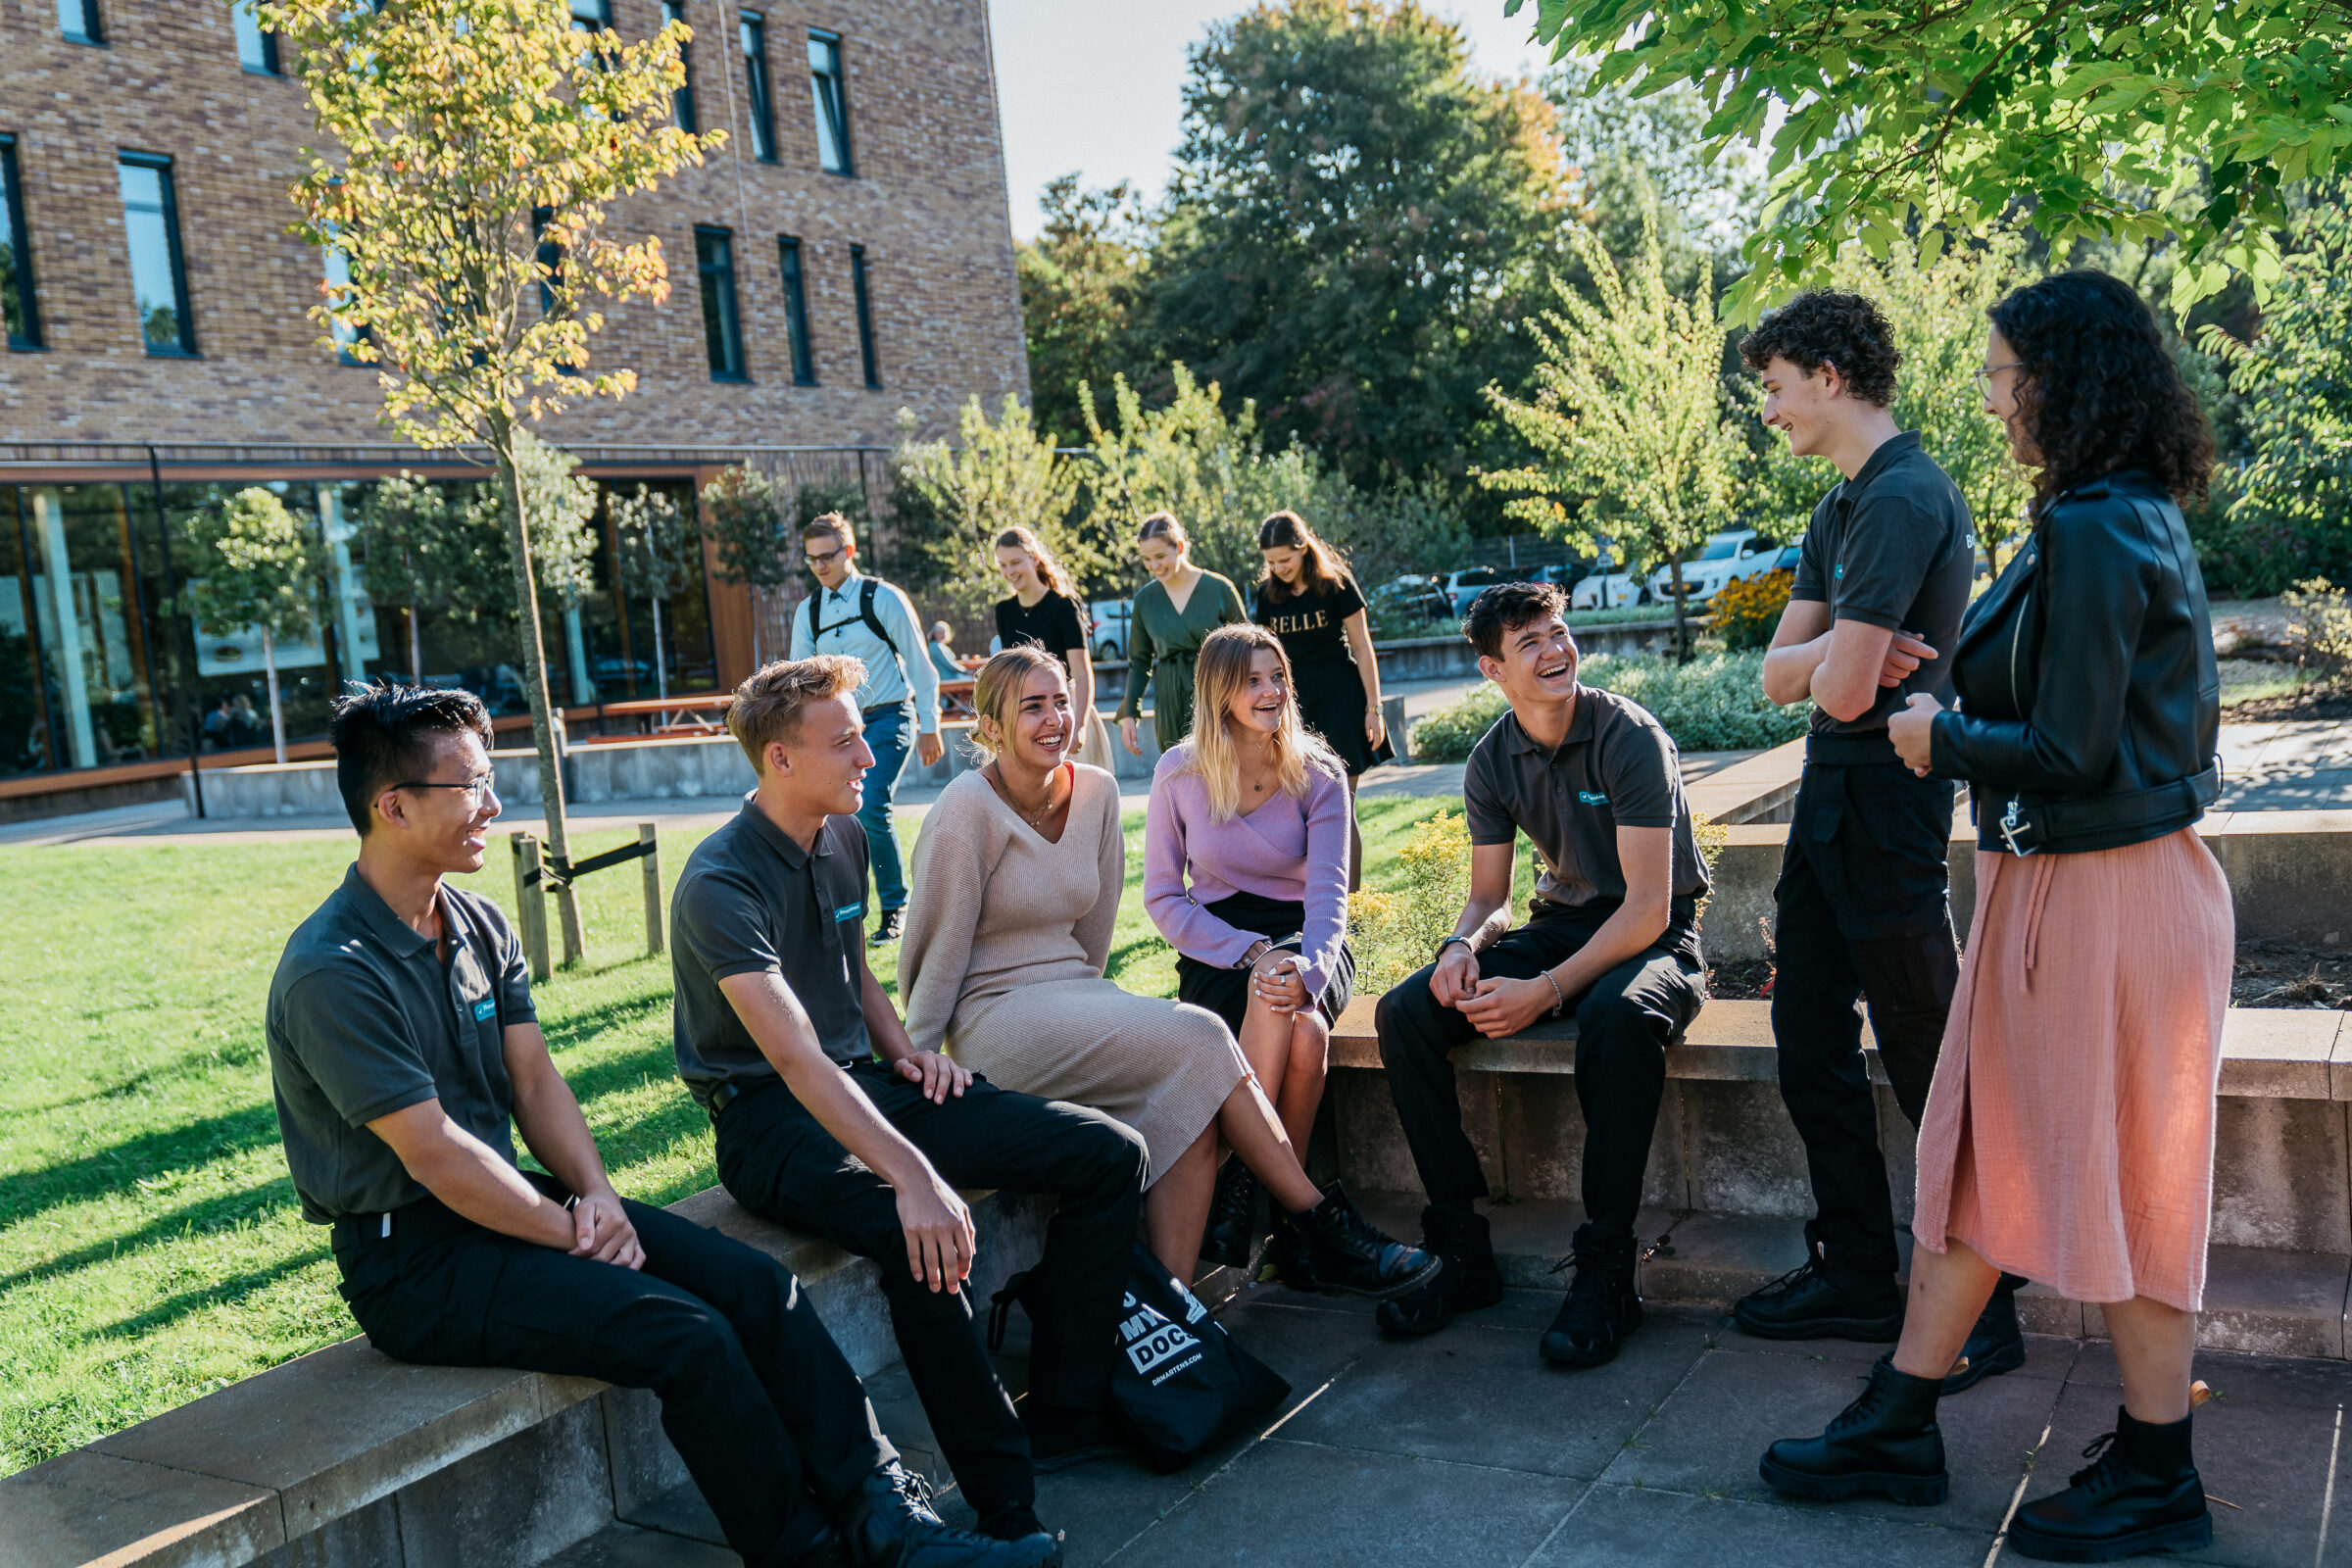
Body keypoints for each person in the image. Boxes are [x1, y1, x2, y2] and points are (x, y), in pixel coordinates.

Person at [265, 682, 1050, 1568]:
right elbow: (436, 1154)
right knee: (688, 1336)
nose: (492, 804)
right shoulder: (334, 969)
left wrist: (596, 1193)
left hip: (521, 1205)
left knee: (761, 1289)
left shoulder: (476, 922)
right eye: (470, 786)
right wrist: (569, 1229)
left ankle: (887, 1522)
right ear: (393, 805)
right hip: (417, 1258)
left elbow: (534, 1078)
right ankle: (810, 1555)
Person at [1761, 270, 2230, 1564]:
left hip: (2106, 894)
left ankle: (2154, 1469)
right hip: (2076, 889)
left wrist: (1935, 735)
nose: (1988, 391)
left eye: (2004, 370)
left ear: (2061, 381)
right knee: (1969, 1149)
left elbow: (2074, 748)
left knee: (2126, 1179)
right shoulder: (2112, 511)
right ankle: (1903, 1416)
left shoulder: (2095, 524)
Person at [670, 655, 1151, 1515]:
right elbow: (796, 1060)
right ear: (780, 759)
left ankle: (1070, 1414)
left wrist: (905, 1052)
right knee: (917, 1234)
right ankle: (1005, 1505)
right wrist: (915, 1175)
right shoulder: (720, 882)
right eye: (848, 741)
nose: (868, 757)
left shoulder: (845, 836)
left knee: (1108, 1153)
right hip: (770, 1122)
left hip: (865, 1083)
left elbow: (852, 974)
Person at [901, 645, 1436, 1299]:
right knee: (1204, 1036)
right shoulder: (965, 807)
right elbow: (934, 947)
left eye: (1062, 702)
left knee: (1186, 1094)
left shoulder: (1094, 790)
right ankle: (1320, 1222)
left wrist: (1097, 1013)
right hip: (993, 1014)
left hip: (1074, 995)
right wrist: (917, 1064)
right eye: (1031, 707)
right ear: (989, 727)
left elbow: (1093, 935)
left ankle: (1176, 1311)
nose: (1053, 720)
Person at [1733, 291, 2026, 1387]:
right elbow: (1780, 679)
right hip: (1826, 800)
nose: (1768, 409)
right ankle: (1858, 1267)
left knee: (1923, 1051)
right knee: (1806, 1036)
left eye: (1774, 386)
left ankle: (1984, 1302)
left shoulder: (1906, 496)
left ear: (1831, 376)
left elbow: (1849, 688)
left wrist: (1832, 664)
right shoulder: (1839, 507)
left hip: (1891, 804)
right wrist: (1832, 662)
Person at [1372, 581, 1709, 1366]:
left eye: (1557, 632)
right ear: (1493, 669)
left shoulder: (1629, 736)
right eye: (1530, 643)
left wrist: (1548, 992)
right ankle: (1460, 1252)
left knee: (1616, 1018)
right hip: (1561, 927)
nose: (1555, 651)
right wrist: (1460, 947)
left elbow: (1649, 910)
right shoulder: (1492, 758)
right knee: (1405, 1012)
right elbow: (1489, 897)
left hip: (1657, 936)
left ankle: (1606, 1274)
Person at [1143, 624, 1354, 1275]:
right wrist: (1247, 950)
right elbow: (1161, 898)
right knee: (1304, 1037)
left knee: (1292, 1001)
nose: (1270, 691)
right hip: (1217, 944)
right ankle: (1293, 1221)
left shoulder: (1319, 773)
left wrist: (1309, 965)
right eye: (1251, 680)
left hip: (1307, 933)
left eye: (1276, 676)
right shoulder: (1178, 771)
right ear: (1218, 692)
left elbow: (1328, 903)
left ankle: (1245, 1189)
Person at [787, 513, 943, 948]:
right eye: (812, 559)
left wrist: (930, 725)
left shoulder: (883, 598)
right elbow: (798, 681)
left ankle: (895, 907)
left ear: (849, 552)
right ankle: (841, 911)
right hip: (835, 730)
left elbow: (921, 664)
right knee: (828, 811)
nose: (820, 566)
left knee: (870, 800)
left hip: (891, 715)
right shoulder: (809, 611)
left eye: (828, 557)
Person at [1251, 512, 1394, 893]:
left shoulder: (1335, 584)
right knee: (1297, 810)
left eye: (1285, 560)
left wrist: (1374, 709)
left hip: (1342, 701)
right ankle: (1310, 896)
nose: (1278, 568)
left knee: (1342, 807)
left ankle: (1352, 902)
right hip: (1293, 706)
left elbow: (1364, 649)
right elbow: (1264, 656)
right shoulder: (1267, 595)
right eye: (1271, 562)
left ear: (1303, 549)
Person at [1115, 514, 1247, 760]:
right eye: (1146, 559)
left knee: (1224, 770)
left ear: (1180, 548)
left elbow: (1248, 649)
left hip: (1215, 691)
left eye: (1160, 556)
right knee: (1178, 772)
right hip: (1169, 696)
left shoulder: (1219, 589)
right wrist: (1130, 714)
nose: (1154, 566)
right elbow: (1139, 662)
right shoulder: (1145, 599)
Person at [993, 526, 1112, 764]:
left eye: (1015, 562)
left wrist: (1079, 725)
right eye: (1003, 565)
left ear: (1034, 559)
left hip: (1066, 711)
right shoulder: (1003, 611)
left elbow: (1081, 672)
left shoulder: (1063, 607)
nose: (1009, 571)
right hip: (1027, 720)